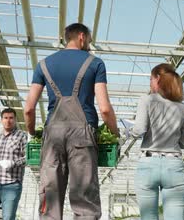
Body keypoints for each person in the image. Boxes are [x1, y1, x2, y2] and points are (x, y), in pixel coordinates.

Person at [24, 22, 119, 220]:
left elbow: (29, 108)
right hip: (83, 135)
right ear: (82, 37)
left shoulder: (43, 65)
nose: (90, 44)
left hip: (52, 136)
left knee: (50, 197)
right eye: (90, 40)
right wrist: (115, 132)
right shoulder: (95, 63)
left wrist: (33, 133)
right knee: (85, 199)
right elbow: (105, 108)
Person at [130, 63, 184, 220]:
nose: (150, 83)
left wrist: (127, 131)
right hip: (174, 166)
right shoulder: (183, 108)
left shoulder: (147, 100)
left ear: (158, 79)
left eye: (150, 79)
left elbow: (139, 130)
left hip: (149, 164)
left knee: (148, 216)